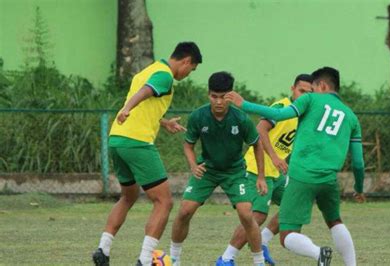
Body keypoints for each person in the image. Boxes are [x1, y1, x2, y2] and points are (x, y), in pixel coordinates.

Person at [224, 67, 365, 266]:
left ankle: (319, 253)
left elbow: (279, 114)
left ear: (322, 85)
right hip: (329, 179)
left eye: (314, 88)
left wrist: (244, 104)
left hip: (301, 176)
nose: (311, 92)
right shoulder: (351, 117)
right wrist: (359, 188)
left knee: (287, 235)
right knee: (335, 221)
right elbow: (359, 163)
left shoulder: (311, 100)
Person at [92, 42, 202, 266]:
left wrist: (163, 122)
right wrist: (126, 108)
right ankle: (144, 260)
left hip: (117, 139)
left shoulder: (148, 70)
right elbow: (145, 93)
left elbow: (145, 104)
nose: (188, 74)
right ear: (187, 61)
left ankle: (103, 249)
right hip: (137, 142)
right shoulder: (165, 75)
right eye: (191, 69)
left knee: (128, 196)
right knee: (164, 202)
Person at [169, 71, 268, 266]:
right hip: (207, 170)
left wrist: (261, 177)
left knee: (247, 214)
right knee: (184, 211)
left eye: (223, 97)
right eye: (214, 96)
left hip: (235, 172)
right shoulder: (199, 116)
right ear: (208, 95)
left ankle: (259, 261)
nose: (219, 102)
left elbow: (257, 145)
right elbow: (188, 145)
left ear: (231, 95)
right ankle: (174, 258)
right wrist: (193, 165)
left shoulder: (241, 119)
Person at [217, 74, 314, 265]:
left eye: (309, 93)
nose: (304, 96)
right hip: (257, 167)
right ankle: (226, 258)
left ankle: (264, 242)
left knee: (296, 203)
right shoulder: (281, 107)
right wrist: (275, 157)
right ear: (292, 88)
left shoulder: (302, 114)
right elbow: (260, 130)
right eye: (301, 91)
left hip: (277, 173)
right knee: (258, 215)